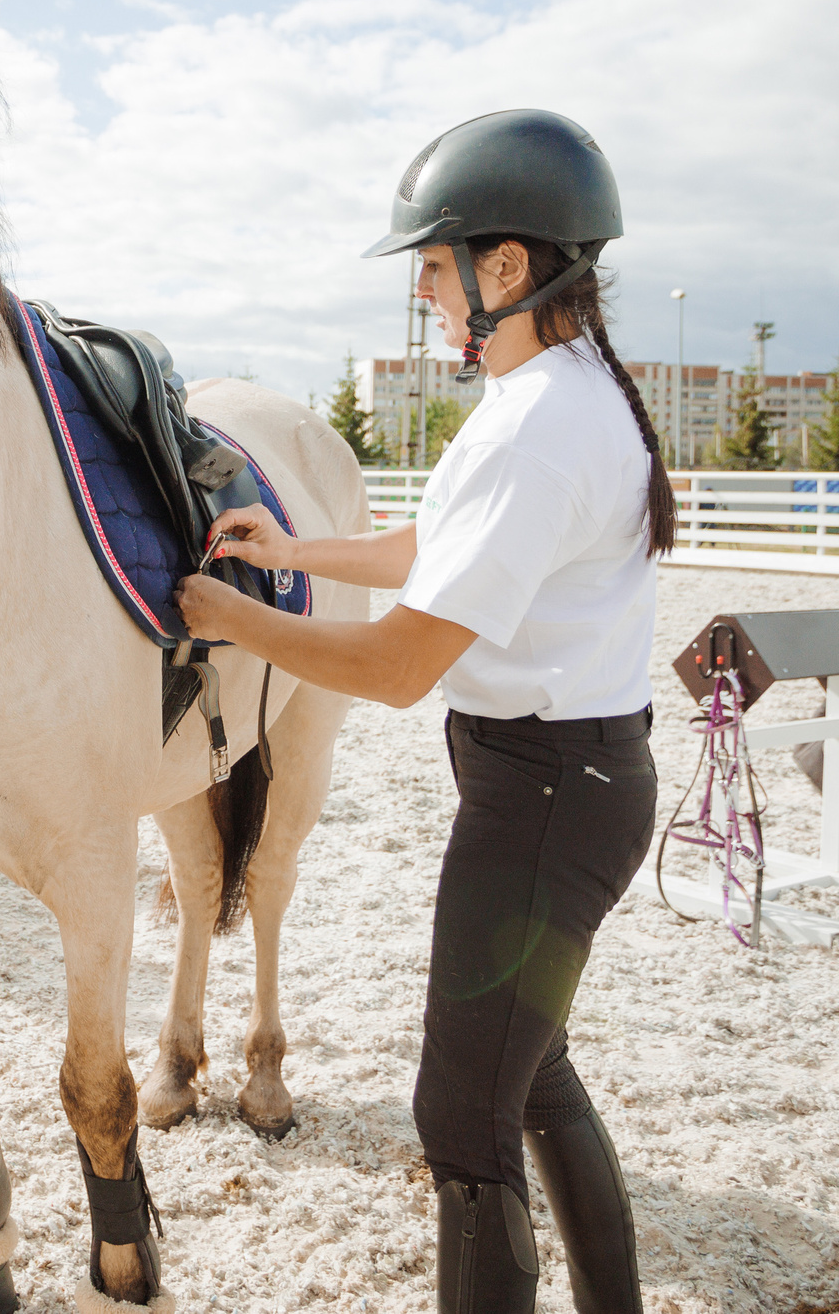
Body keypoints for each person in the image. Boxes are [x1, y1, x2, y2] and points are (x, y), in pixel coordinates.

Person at [179, 109, 667, 1314]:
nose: (428, 302)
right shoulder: (555, 391)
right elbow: (433, 552)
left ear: (509, 268)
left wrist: (230, 615)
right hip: (568, 782)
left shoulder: (539, 424)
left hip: (546, 796)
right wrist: (294, 549)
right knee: (530, 1070)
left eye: (436, 273)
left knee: (461, 1118)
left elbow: (399, 668)